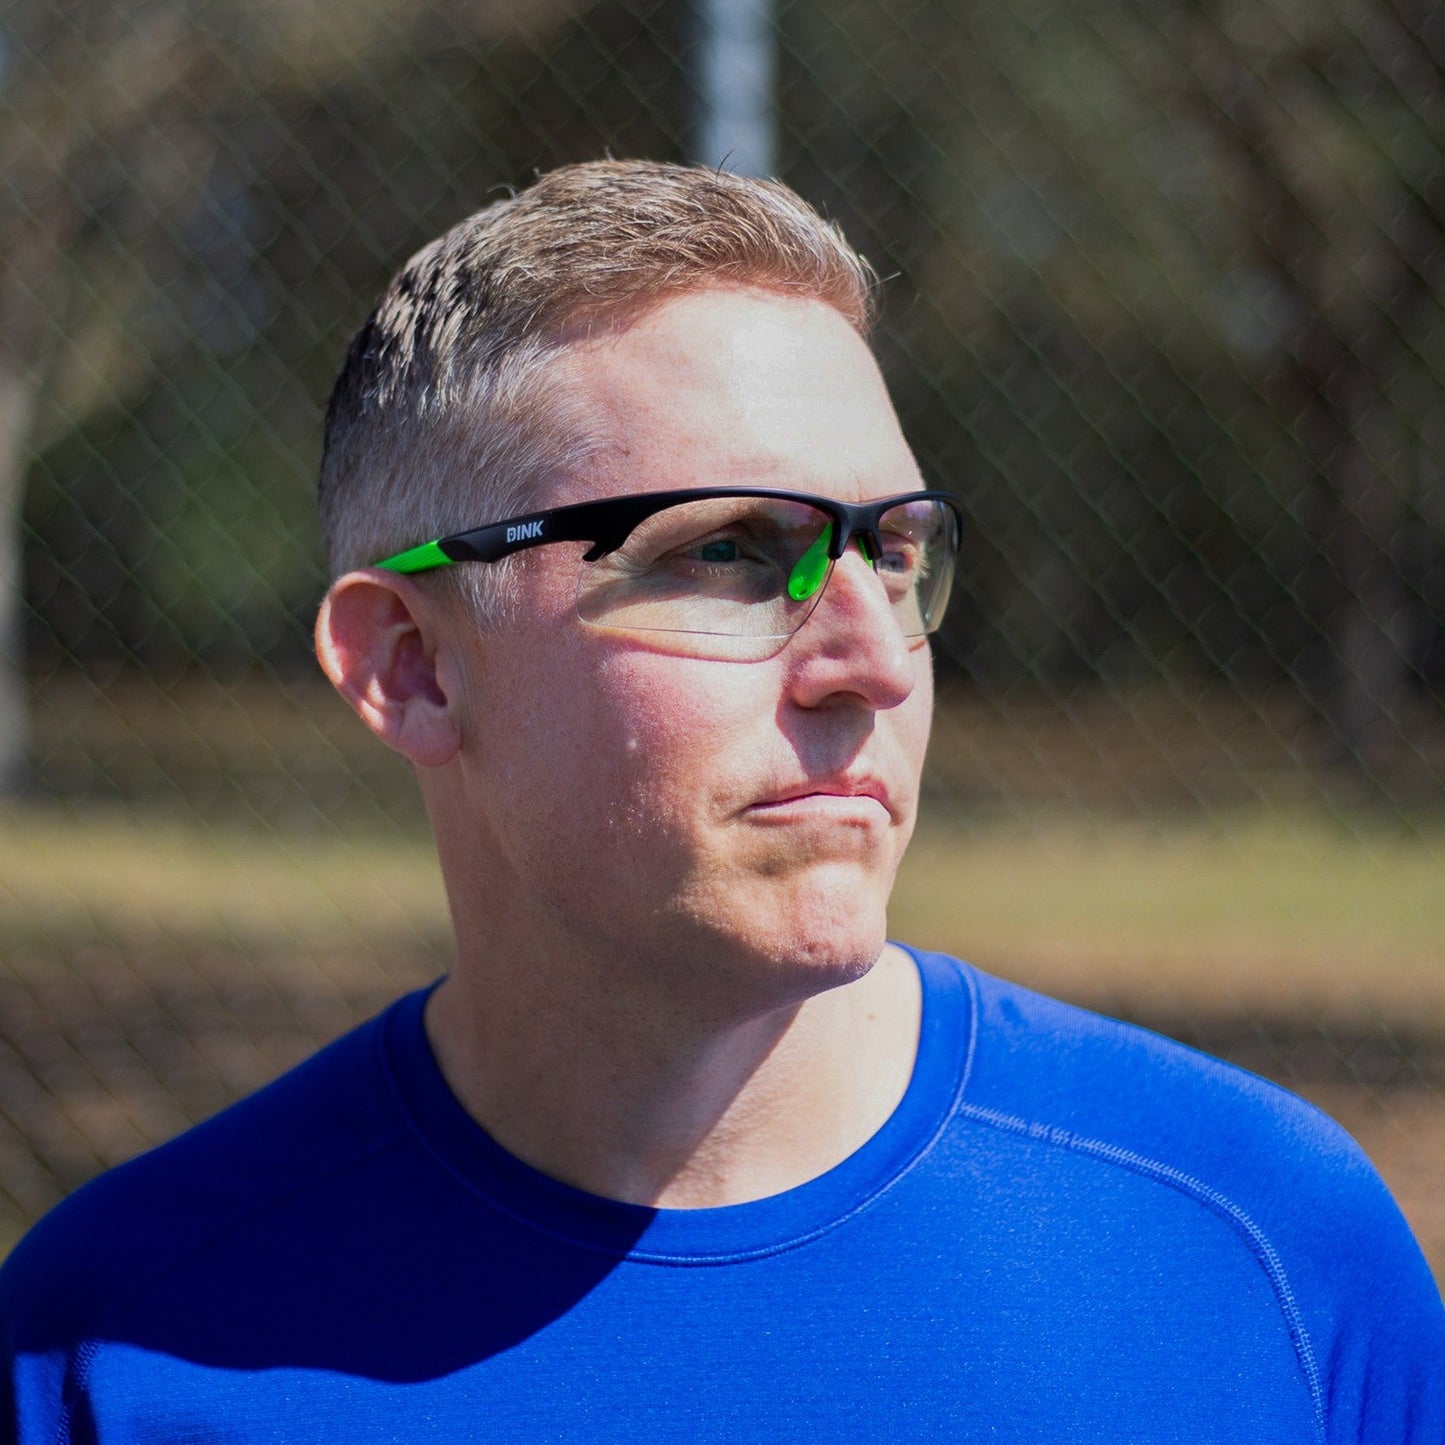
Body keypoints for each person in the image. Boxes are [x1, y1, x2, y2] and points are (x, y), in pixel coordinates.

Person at [2, 159, 1441, 1444]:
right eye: (733, 553)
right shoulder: (113, 1348)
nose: (876, 661)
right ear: (414, 667)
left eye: (897, 553)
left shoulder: (1263, 1258)